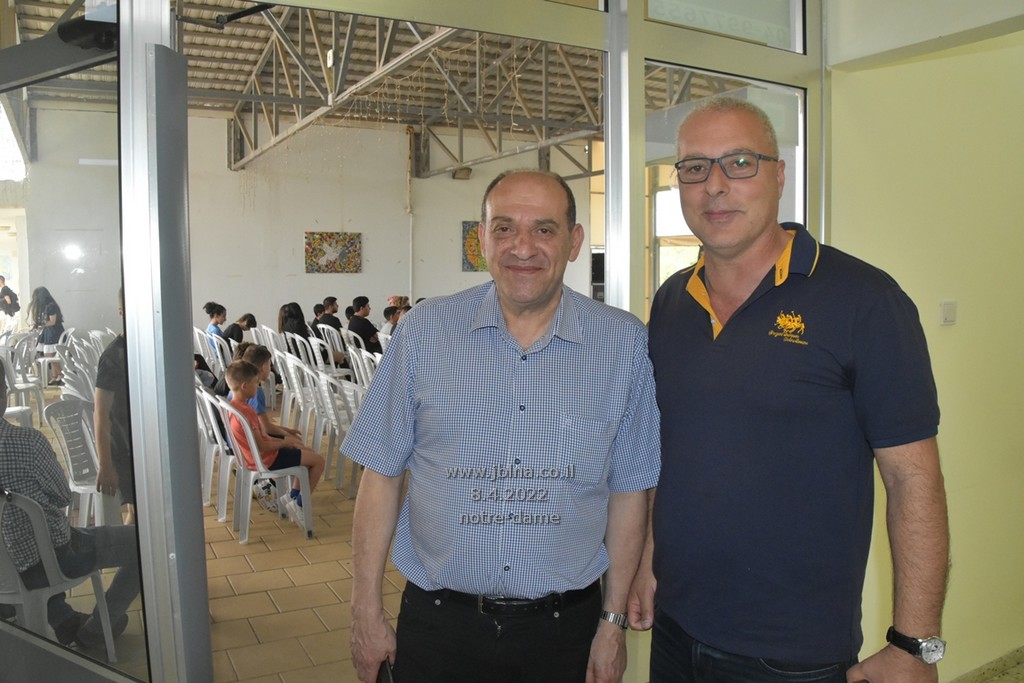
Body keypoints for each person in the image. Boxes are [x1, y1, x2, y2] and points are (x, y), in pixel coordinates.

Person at [630, 96, 949, 683]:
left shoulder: (865, 301)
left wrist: (915, 643)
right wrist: (651, 557)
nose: (715, 186)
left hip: (793, 655)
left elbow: (913, 480)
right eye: (695, 167)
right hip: (675, 630)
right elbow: (674, 450)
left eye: (739, 163)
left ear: (779, 176)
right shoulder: (673, 301)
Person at [345, 169, 661, 683]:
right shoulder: (424, 332)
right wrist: (365, 609)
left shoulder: (622, 344)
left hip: (566, 633)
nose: (523, 247)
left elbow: (630, 491)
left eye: (544, 229)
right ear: (482, 239)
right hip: (438, 625)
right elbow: (380, 473)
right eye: (505, 227)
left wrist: (613, 622)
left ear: (574, 241)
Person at [0, 357, 141, 649]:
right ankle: (98, 628)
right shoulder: (28, 442)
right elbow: (63, 497)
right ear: (4, 392)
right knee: (145, 544)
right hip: (51, 561)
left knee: (25, 546)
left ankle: (64, 619)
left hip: (4, 572)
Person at [224, 359, 324, 524]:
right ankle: (299, 504)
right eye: (255, 383)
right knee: (318, 462)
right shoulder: (246, 411)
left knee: (307, 453)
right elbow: (262, 446)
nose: (258, 386)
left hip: (251, 458)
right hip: (265, 460)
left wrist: (287, 439)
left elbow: (262, 438)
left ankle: (292, 497)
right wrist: (286, 442)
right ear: (244, 386)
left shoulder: (231, 406)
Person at [94, 288, 136, 524]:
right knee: (138, 512)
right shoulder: (113, 356)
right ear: (121, 312)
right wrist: (106, 464)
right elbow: (101, 414)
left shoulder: (148, 348)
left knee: (141, 511)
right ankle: (129, 548)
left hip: (143, 442)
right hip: (124, 447)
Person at [27, 286, 64, 383]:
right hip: (50, 333)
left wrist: (40, 324)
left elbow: (52, 322)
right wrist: (37, 325)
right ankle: (55, 376)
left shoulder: (51, 307)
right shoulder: (48, 306)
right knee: (50, 355)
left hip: (54, 334)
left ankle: (60, 375)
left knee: (49, 355)